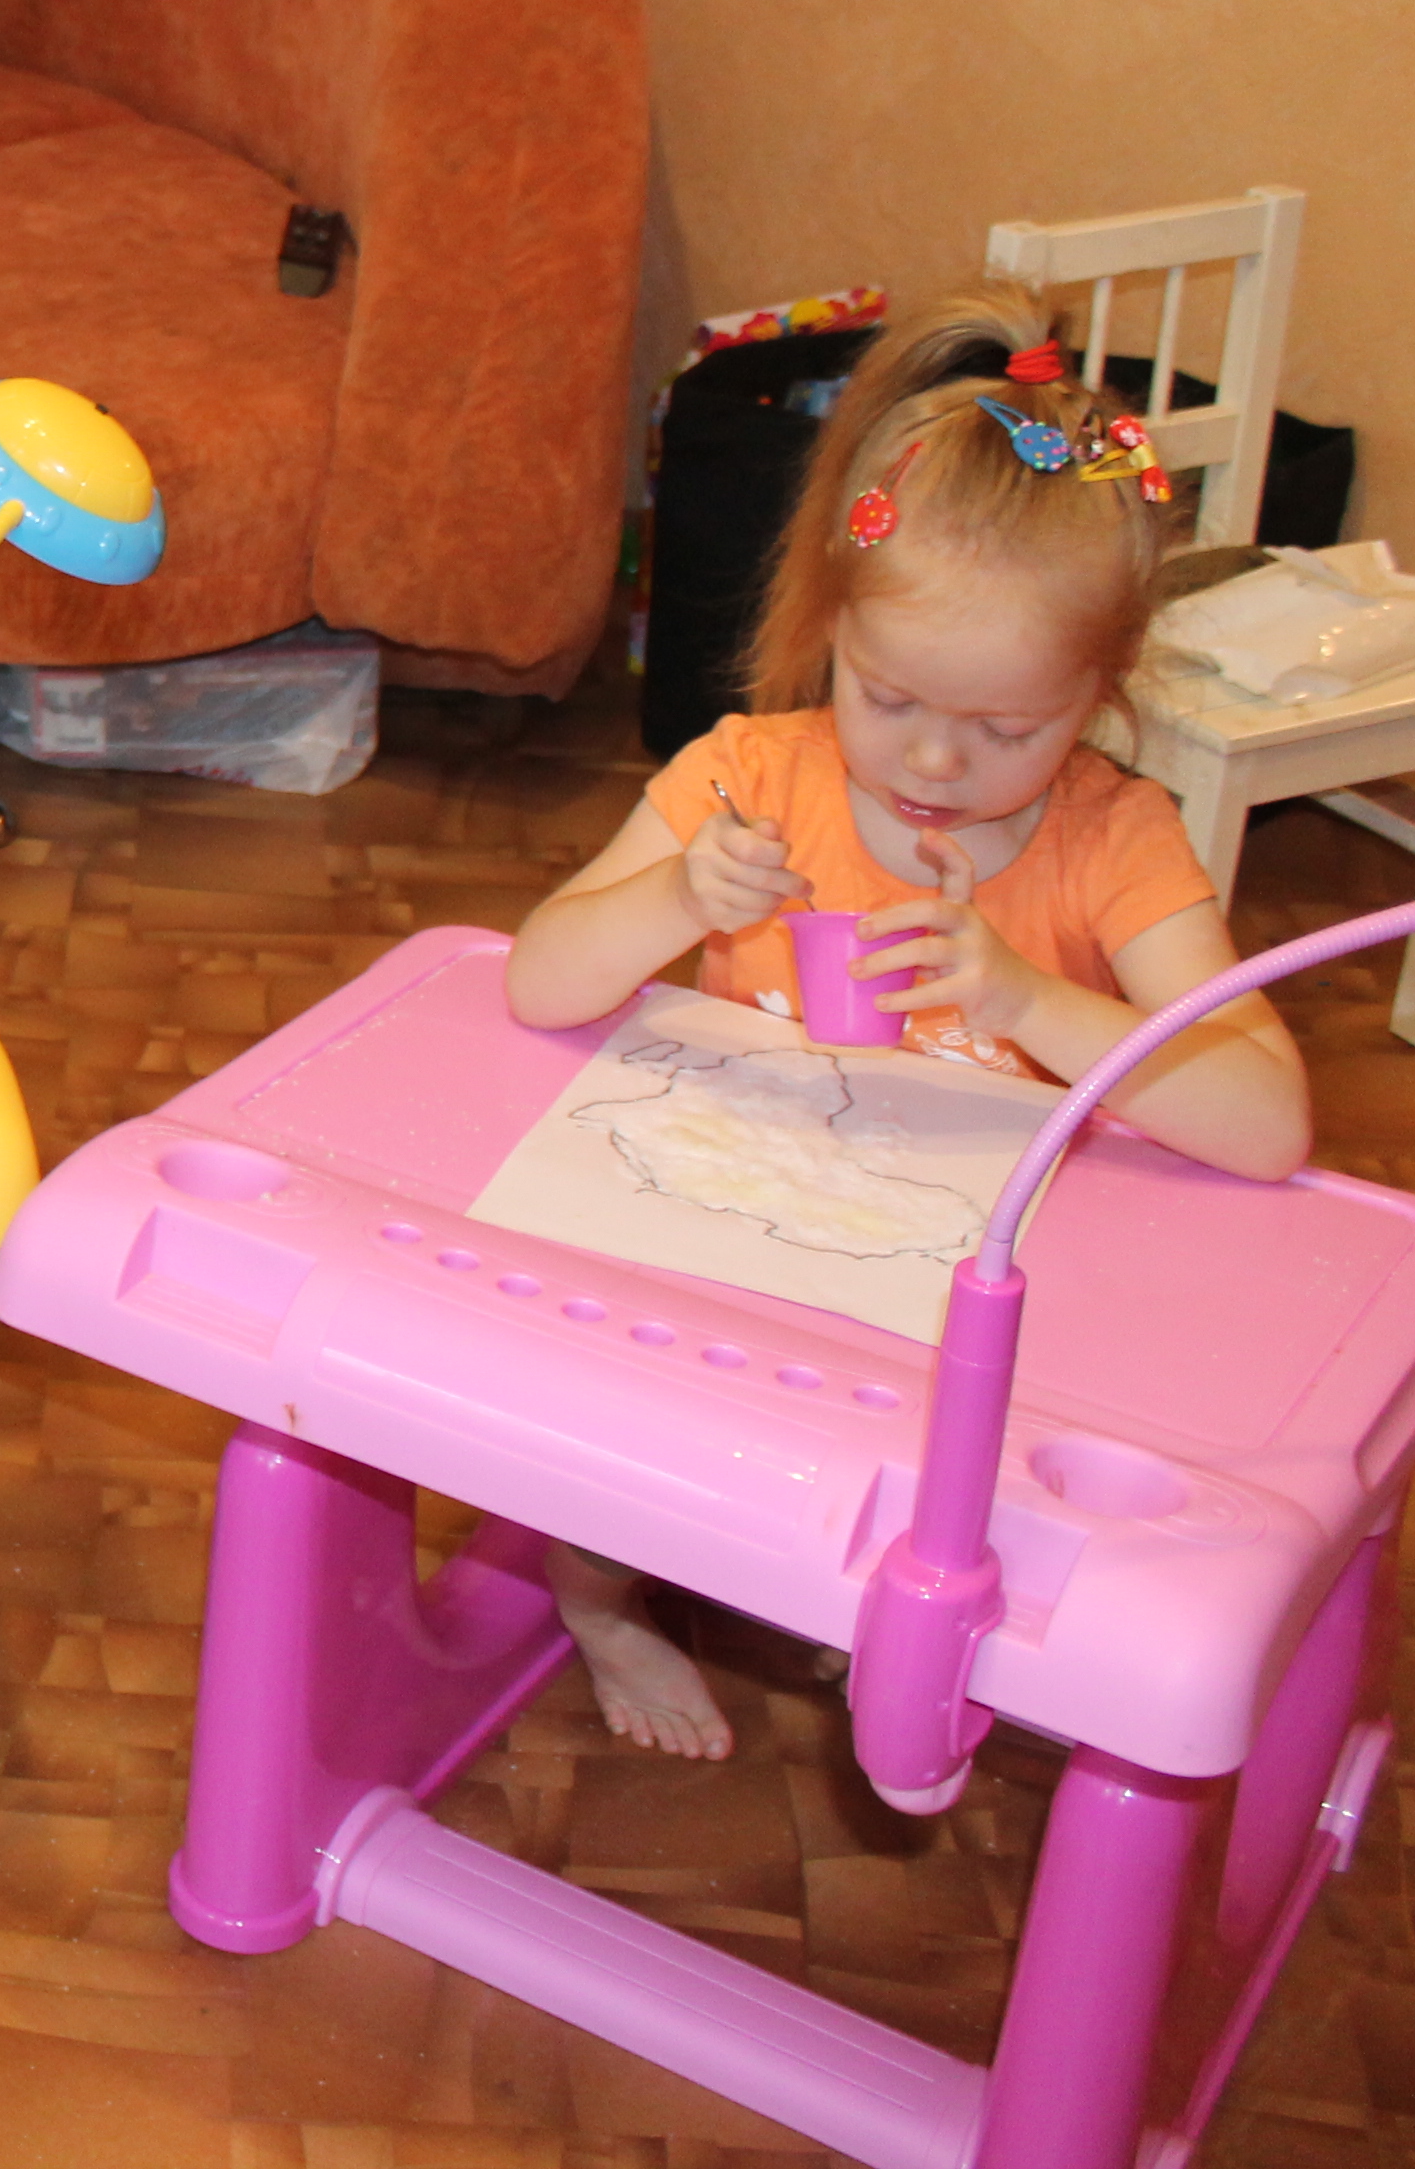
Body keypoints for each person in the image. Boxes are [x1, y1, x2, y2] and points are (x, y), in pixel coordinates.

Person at [506, 281, 1310, 1758]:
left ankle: (865, 1593)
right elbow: (538, 981)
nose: (935, 761)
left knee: (969, 1473)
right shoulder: (752, 772)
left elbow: (1267, 1125)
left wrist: (1027, 997)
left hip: (957, 1301)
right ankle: (603, 1608)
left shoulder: (1115, 840)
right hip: (733, 1249)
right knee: (611, 1430)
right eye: (888, 700)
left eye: (1006, 730)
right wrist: (678, 895)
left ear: (1098, 692)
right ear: (832, 629)